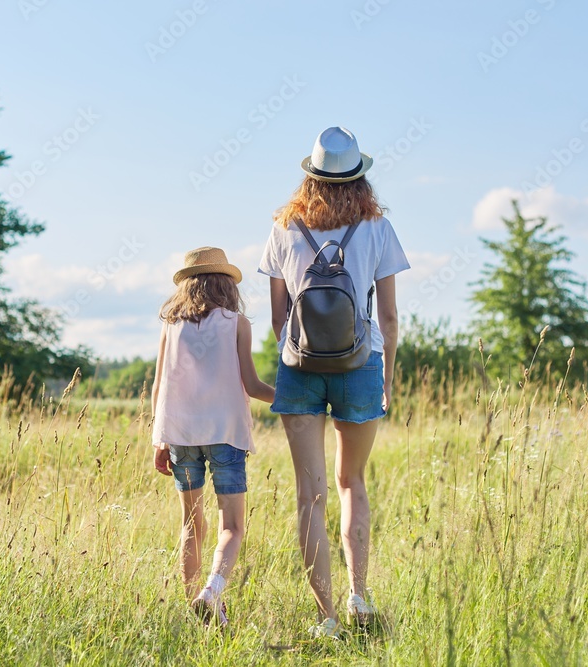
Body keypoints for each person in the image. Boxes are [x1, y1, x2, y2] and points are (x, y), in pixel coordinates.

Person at [258, 127, 410, 637]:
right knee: (352, 483)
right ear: (359, 177)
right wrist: (386, 377)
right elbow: (389, 318)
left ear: (311, 175)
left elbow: (278, 318)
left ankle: (326, 617)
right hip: (360, 364)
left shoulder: (284, 227)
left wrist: (299, 353)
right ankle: (358, 596)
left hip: (299, 367)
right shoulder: (377, 227)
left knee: (311, 494)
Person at [150, 246, 275, 629]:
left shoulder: (171, 326)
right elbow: (252, 386)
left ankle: (197, 610)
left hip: (180, 435)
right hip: (226, 435)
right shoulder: (237, 323)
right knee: (231, 527)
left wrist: (159, 439)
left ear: (187, 286)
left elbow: (158, 386)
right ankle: (212, 591)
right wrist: (296, 399)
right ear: (226, 284)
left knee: (191, 524)